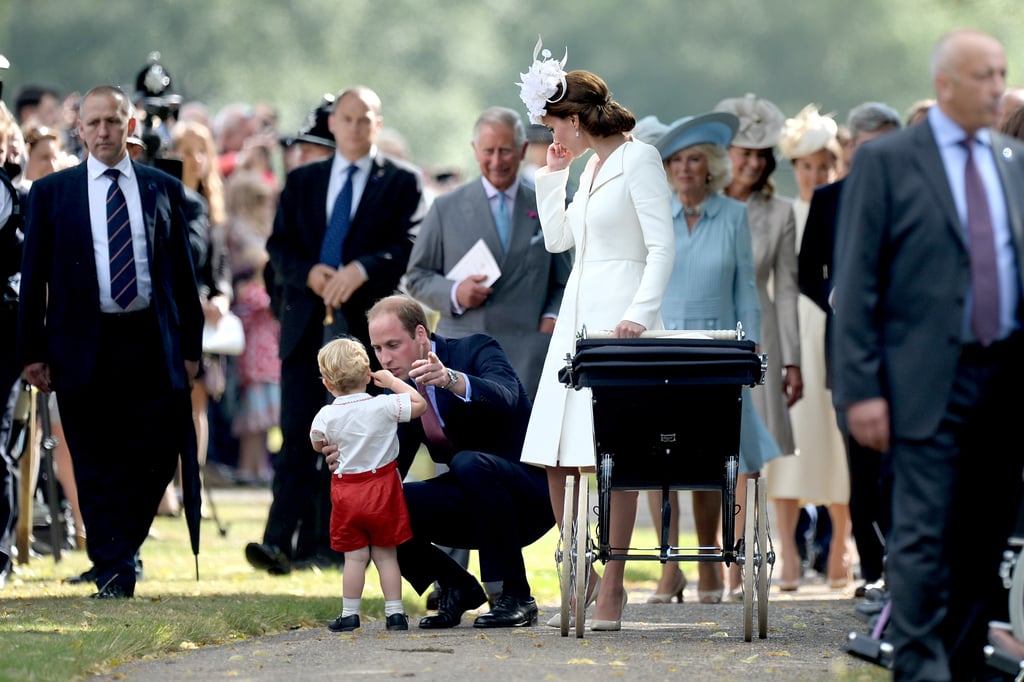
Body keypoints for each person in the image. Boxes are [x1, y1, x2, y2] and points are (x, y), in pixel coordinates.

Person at [832, 29, 1024, 681]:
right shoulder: (890, 161)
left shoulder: (1009, 159)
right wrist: (859, 390)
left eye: (1002, 74)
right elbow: (856, 283)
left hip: (1003, 382)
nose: (999, 88)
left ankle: (964, 664)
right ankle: (918, 666)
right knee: (921, 537)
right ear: (945, 85)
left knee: (984, 538)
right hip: (921, 383)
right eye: (984, 76)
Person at [18, 85, 203, 599]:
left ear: (130, 127)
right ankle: (115, 564)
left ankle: (121, 549)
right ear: (79, 130)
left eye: (113, 122)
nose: (103, 132)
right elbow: (34, 280)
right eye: (94, 123)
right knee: (94, 458)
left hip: (150, 340)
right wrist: (31, 351)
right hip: (81, 343)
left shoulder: (161, 188)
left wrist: (191, 350)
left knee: (157, 453)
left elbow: (184, 278)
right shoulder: (53, 193)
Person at [516, 40, 674, 631]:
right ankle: (577, 567)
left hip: (623, 315)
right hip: (578, 310)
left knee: (614, 454)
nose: (552, 134)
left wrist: (641, 312)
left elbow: (661, 245)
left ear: (576, 119)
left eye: (555, 125)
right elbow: (559, 241)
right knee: (559, 454)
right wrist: (552, 177)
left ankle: (613, 581)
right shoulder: (583, 167)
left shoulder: (641, 159)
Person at [248, 86, 424, 575]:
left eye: (365, 119)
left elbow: (411, 241)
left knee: (355, 438)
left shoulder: (401, 181)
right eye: (347, 119)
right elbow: (279, 247)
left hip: (362, 326)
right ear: (333, 124)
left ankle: (331, 544)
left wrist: (363, 269)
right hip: (306, 323)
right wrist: (309, 272)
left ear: (378, 124)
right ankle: (279, 542)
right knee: (300, 433)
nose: (355, 128)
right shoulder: (304, 180)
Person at [325, 295, 553, 629]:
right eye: (377, 349)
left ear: (420, 334)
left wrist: (451, 379)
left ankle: (516, 596)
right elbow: (391, 467)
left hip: (529, 495)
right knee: (382, 505)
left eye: (393, 345)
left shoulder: (475, 348)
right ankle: (454, 585)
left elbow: (509, 395)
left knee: (467, 462)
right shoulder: (396, 394)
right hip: (471, 502)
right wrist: (352, 463)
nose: (385, 359)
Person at [646, 112, 781, 604]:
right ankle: (668, 567)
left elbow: (747, 288)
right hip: (662, 350)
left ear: (712, 167)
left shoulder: (733, 215)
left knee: (707, 462)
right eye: (675, 160)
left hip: (718, 351)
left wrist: (750, 350)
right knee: (659, 462)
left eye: (694, 159)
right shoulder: (655, 212)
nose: (684, 168)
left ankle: (708, 563)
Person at [799, 102, 902, 596]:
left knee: (899, 468)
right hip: (848, 352)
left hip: (907, 353)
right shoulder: (829, 199)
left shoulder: (914, 196)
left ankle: (906, 567)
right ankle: (875, 570)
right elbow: (806, 273)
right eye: (870, 146)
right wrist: (832, 295)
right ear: (853, 149)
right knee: (860, 468)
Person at [402, 105, 570, 400]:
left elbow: (564, 281)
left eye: (505, 151)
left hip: (529, 354)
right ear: (475, 150)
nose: (496, 161)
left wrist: (550, 318)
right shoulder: (445, 208)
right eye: (488, 151)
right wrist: (455, 292)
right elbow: (417, 277)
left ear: (522, 149)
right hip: (466, 355)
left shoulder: (547, 203)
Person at [714, 93, 803, 585]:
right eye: (742, 151)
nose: (751, 162)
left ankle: (739, 560)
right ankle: (713, 555)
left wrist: (791, 360)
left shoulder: (782, 213)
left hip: (761, 335)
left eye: (759, 153)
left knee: (749, 452)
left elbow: (786, 290)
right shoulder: (700, 203)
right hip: (707, 327)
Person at [772, 104, 852, 589]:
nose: (816, 174)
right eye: (807, 166)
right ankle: (788, 552)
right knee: (790, 441)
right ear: (795, 168)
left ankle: (842, 543)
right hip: (790, 333)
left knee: (836, 439)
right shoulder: (783, 215)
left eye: (825, 165)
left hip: (833, 333)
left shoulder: (845, 211)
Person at [311, 336, 426, 633]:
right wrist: (392, 382)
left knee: (355, 557)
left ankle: (350, 613)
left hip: (348, 490)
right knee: (386, 555)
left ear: (327, 384)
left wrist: (330, 445)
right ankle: (396, 613)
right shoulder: (384, 405)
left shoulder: (326, 414)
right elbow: (420, 404)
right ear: (367, 376)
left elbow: (317, 442)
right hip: (382, 486)